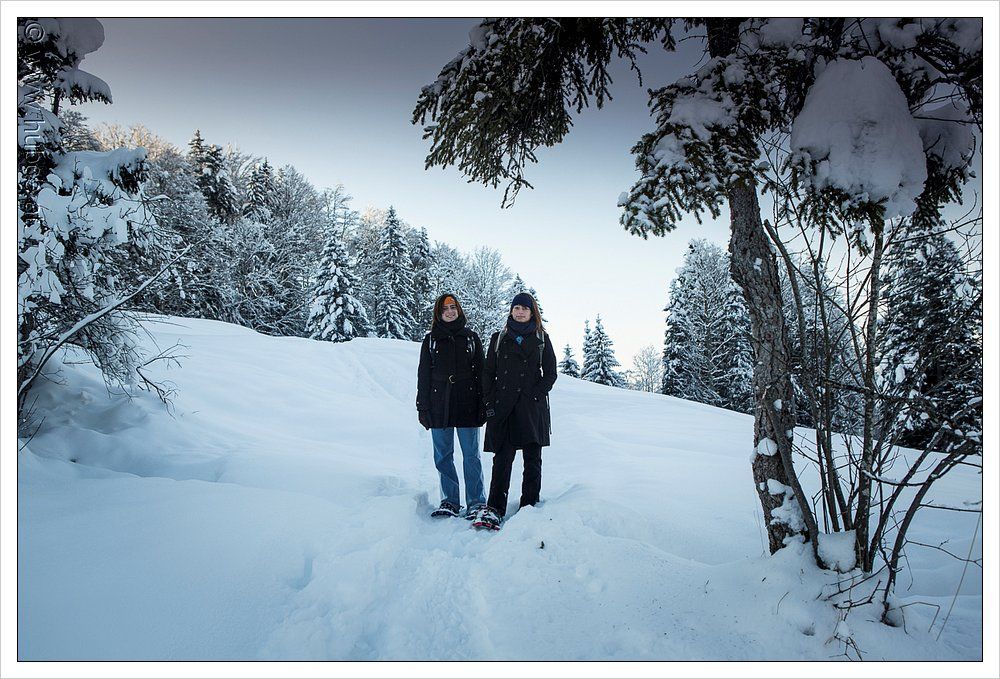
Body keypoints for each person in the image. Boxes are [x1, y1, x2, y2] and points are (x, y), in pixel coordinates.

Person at [474, 292, 557, 530]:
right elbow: (488, 372)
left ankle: (529, 505)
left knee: (532, 460)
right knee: (502, 460)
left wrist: (535, 395)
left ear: (532, 313)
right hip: (503, 408)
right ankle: (495, 508)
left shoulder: (541, 339)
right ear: (511, 311)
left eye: (525, 309)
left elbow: (550, 373)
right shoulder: (499, 338)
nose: (520, 312)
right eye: (516, 308)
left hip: (531, 408)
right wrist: (490, 402)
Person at [416, 293, 488, 519]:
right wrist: (422, 407)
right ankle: (450, 500)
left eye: (453, 307)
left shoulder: (471, 338)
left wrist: (484, 403)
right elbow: (423, 375)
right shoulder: (431, 340)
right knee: (443, 456)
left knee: (471, 456)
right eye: (445, 308)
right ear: (438, 313)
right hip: (439, 404)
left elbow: (482, 373)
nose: (450, 311)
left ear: (459, 310)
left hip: (468, 403)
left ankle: (476, 502)